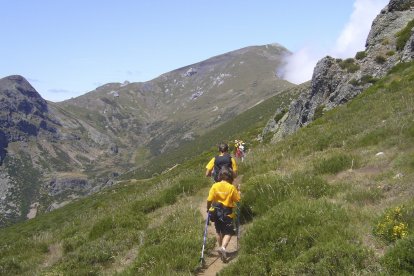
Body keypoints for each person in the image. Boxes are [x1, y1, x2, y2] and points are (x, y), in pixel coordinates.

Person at [207, 167, 241, 262]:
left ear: (219, 176)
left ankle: (221, 247)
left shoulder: (215, 186)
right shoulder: (231, 187)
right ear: (230, 176)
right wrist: (238, 192)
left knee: (219, 231)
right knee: (229, 232)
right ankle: (223, 248)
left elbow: (209, 200)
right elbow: (237, 200)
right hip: (227, 213)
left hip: (216, 211)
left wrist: (208, 209)